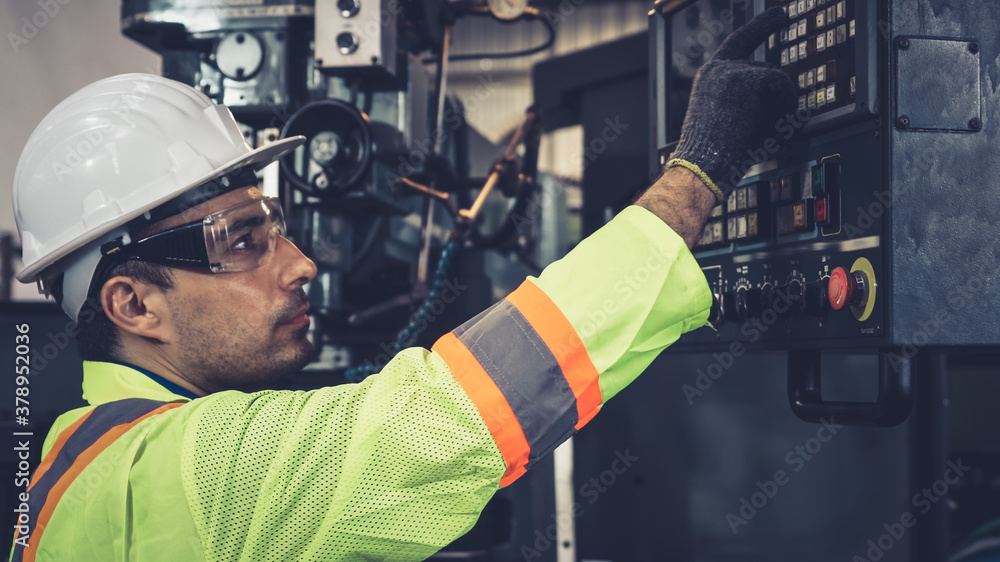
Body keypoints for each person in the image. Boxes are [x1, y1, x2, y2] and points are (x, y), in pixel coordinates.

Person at [8, 7, 793, 562]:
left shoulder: (71, 465)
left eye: (274, 224)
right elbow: (456, 412)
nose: (301, 263)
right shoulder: (198, 468)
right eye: (243, 241)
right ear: (133, 304)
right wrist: (695, 177)